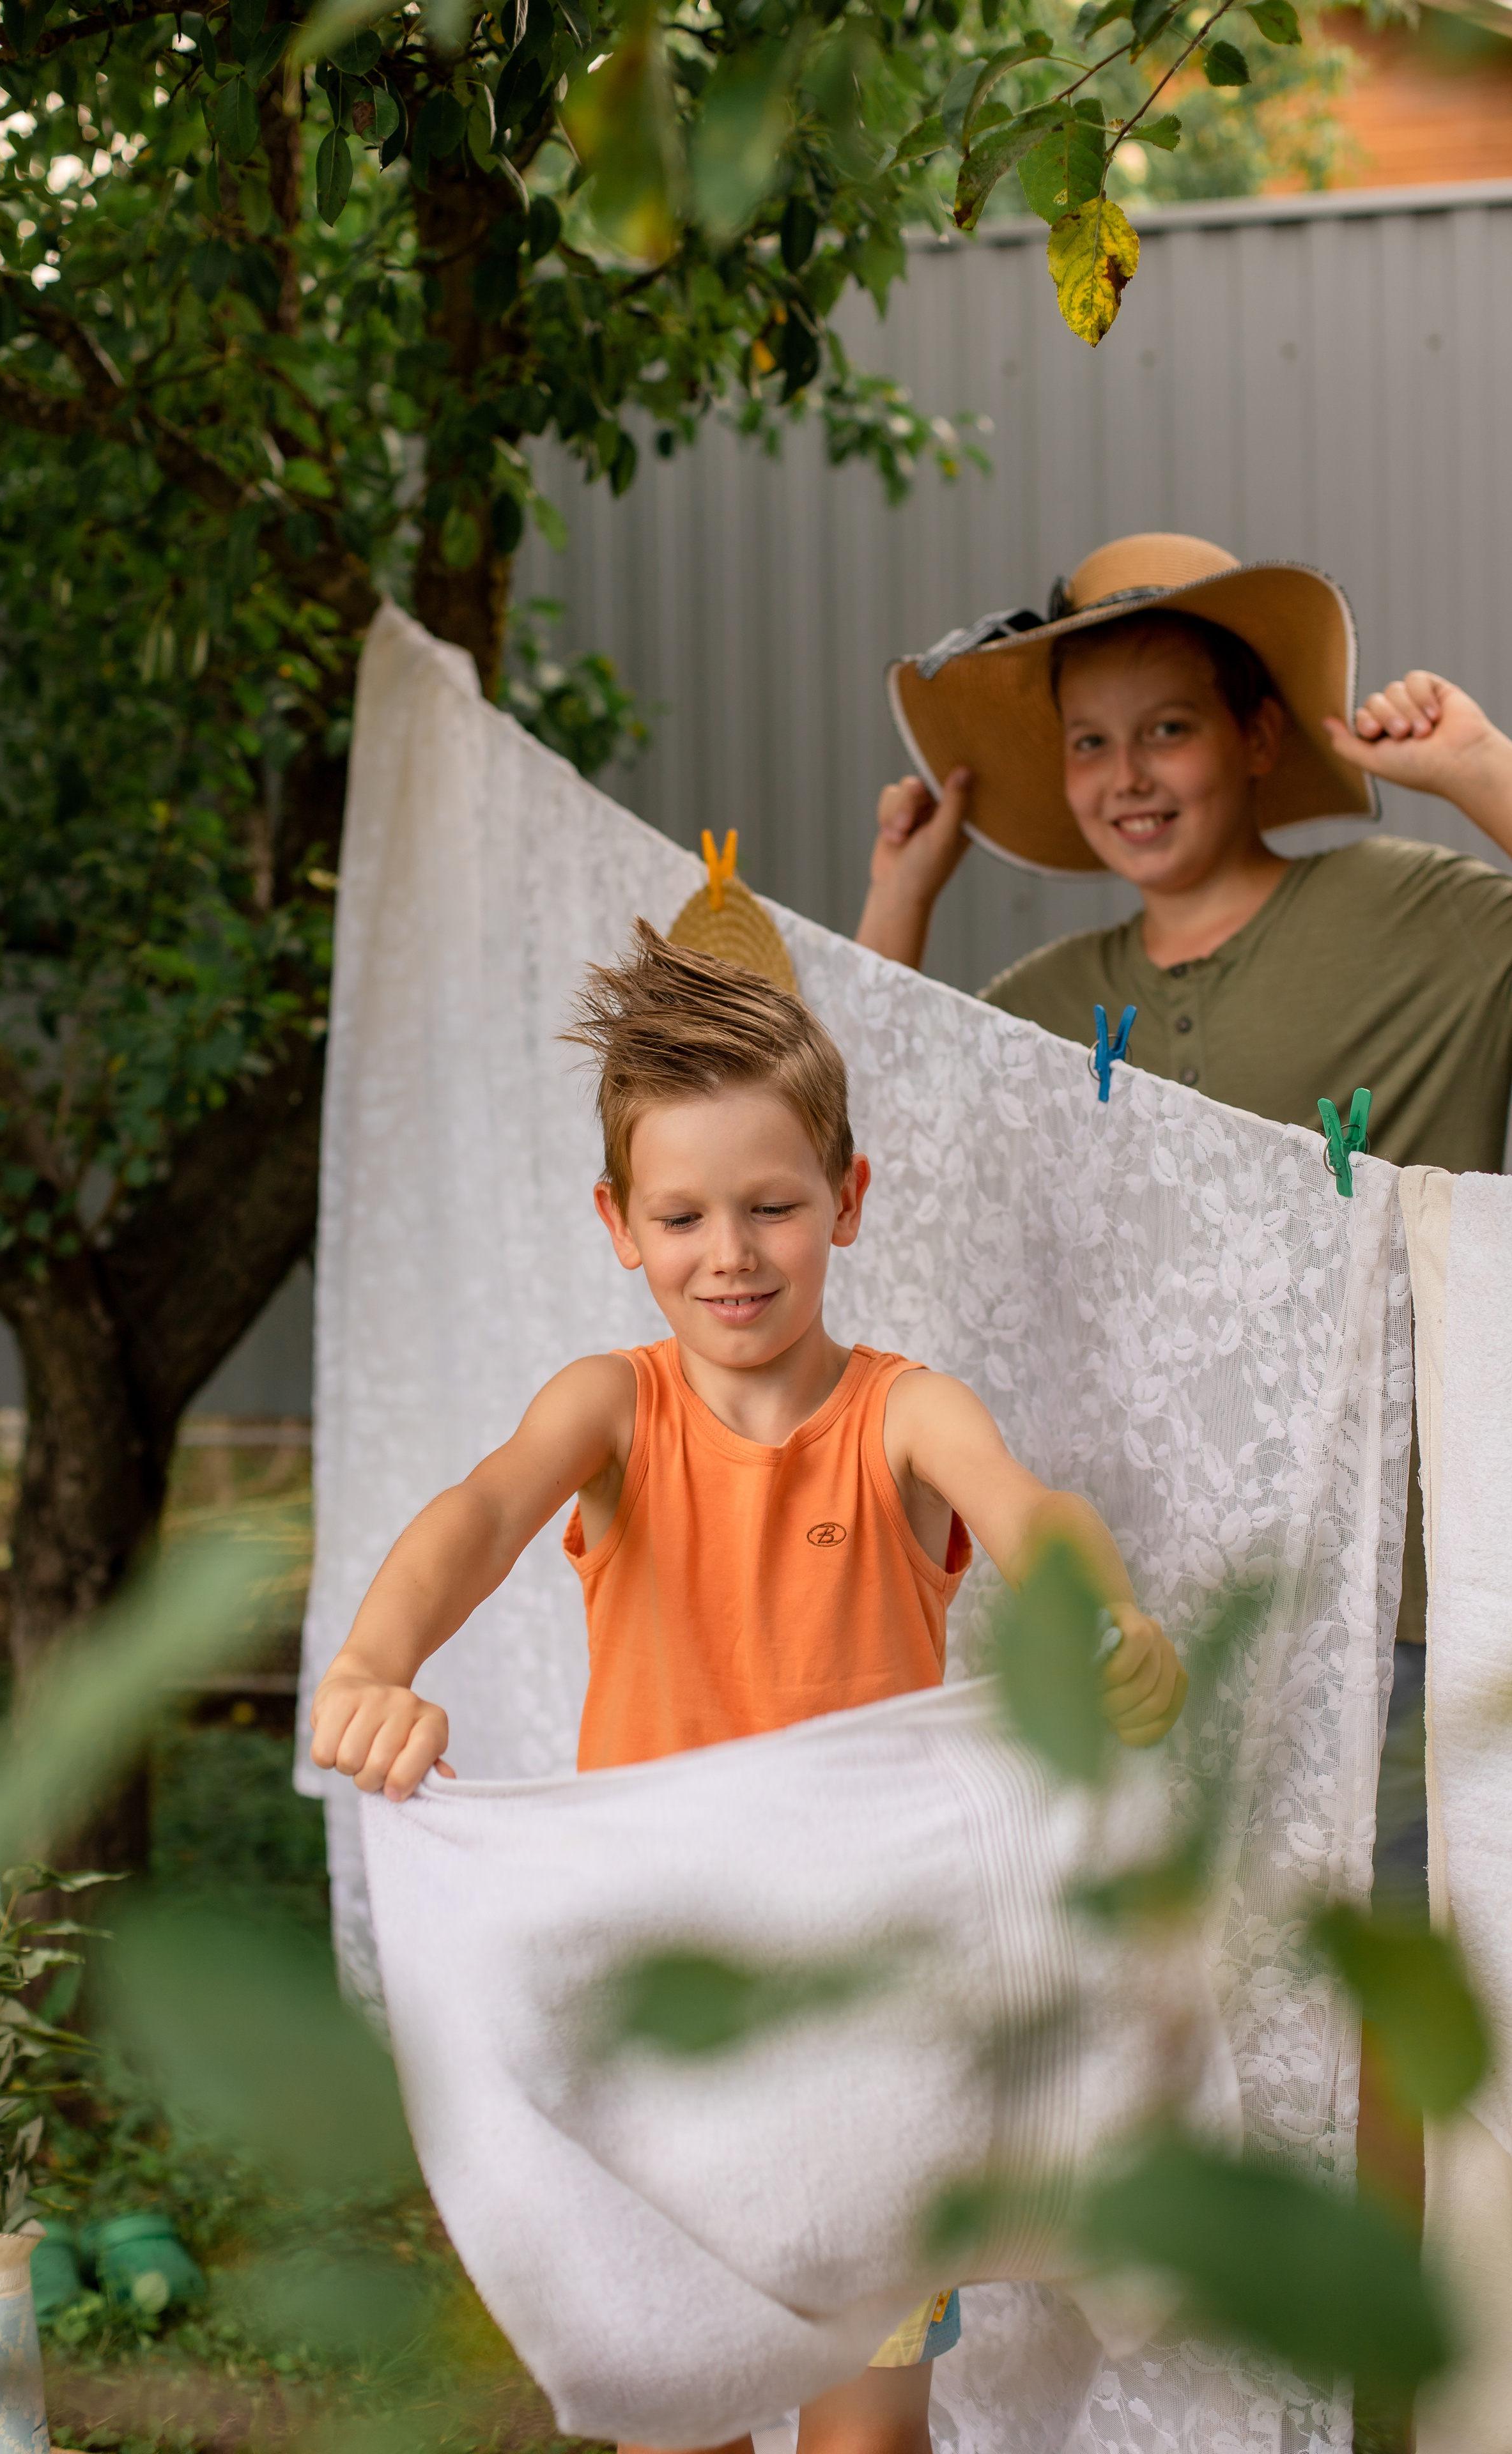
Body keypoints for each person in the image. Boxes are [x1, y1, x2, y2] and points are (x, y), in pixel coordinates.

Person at [310, 923, 1189, 2454]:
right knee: (675, 2424)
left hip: (874, 2024)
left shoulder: (905, 1413)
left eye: (772, 1207)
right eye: (684, 1215)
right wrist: (375, 1662)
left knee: (864, 2434)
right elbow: (474, 1512)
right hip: (663, 2017)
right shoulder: (607, 1407)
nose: (730, 1253)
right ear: (618, 1225)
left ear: (846, 1202)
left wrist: (1105, 1614)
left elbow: (1029, 1509)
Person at [859, 530, 1512, 1695]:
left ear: (1256, 737)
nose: (1128, 778)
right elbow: (855, 1166)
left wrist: (1478, 769)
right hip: (1150, 1615)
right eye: (1089, 744)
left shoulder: (1417, 914)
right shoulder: (1041, 1005)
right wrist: (896, 906)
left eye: (1169, 729)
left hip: (1397, 1609)